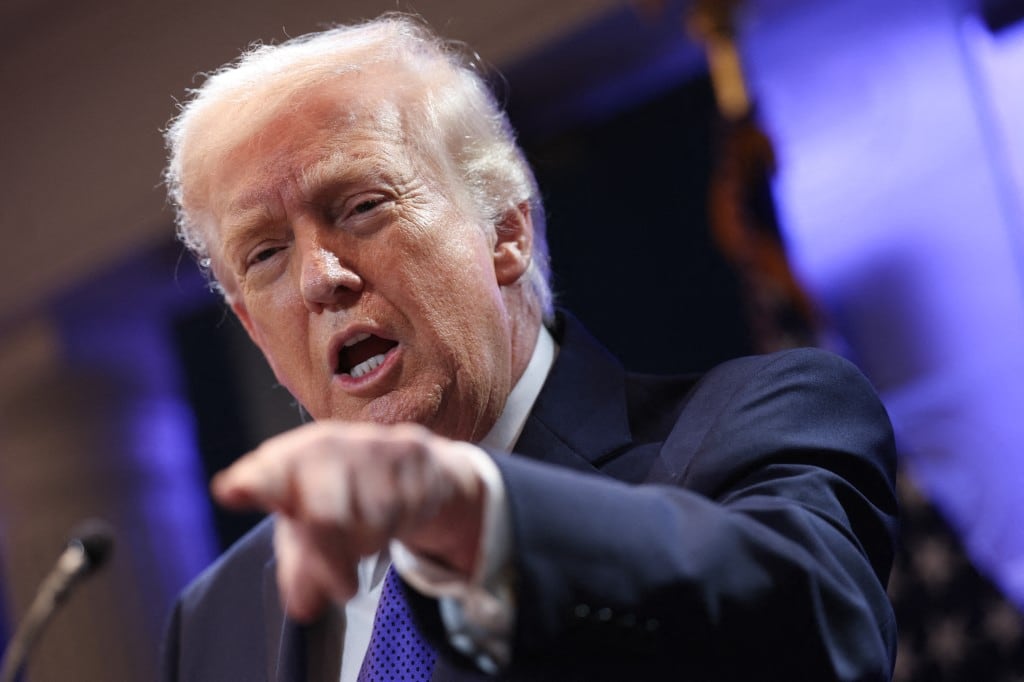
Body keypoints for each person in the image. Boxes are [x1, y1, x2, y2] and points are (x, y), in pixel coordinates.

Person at [159, 14, 898, 682]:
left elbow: (822, 633)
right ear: (253, 328)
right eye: (264, 255)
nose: (321, 278)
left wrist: (469, 513)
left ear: (505, 232)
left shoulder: (763, 422)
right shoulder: (212, 620)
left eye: (361, 205)